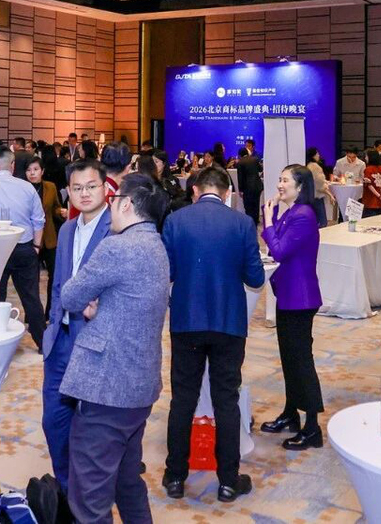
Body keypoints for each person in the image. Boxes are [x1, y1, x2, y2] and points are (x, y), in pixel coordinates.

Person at [60, 173, 169, 524]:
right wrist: (102, 308)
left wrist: (93, 305)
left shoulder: (117, 247)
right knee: (127, 482)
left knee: (89, 498)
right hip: (138, 384)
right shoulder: (156, 245)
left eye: (113, 200)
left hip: (106, 387)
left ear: (126, 204)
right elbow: (131, 305)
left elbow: (69, 295)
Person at [161, 166, 263, 502]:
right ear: (227, 193)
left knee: (182, 400)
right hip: (228, 322)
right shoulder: (242, 223)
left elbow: (167, 271)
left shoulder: (176, 221)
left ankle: (175, 477)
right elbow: (255, 278)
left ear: (195, 190)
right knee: (226, 401)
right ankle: (228, 481)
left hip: (186, 321)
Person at [43, 159, 113, 494]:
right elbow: (58, 284)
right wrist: (53, 323)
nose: (84, 193)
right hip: (60, 339)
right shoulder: (68, 229)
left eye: (91, 186)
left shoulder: (117, 231)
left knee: (91, 428)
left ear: (105, 188)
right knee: (54, 422)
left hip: (95, 342)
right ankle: (69, 491)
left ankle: (88, 497)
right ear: (68, 192)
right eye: (77, 188)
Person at [259, 164, 326, 450]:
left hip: (300, 298)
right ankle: (290, 414)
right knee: (289, 358)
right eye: (279, 179)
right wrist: (272, 215)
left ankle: (312, 428)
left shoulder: (304, 215)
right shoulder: (292, 212)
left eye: (285, 180)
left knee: (301, 361)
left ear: (300, 187)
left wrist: (267, 220)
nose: (280, 185)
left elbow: (279, 250)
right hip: (288, 295)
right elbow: (275, 240)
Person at [0, 145, 47, 350]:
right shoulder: (27, 188)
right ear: (12, 165)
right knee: (31, 298)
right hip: (24, 248)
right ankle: (43, 343)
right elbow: (39, 220)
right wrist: (36, 246)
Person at [24, 154, 64, 313]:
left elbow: (55, 208)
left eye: (35, 169)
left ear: (42, 171)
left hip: (49, 238)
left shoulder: (50, 187)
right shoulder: (22, 189)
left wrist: (61, 212)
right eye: (28, 170)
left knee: (54, 276)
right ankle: (33, 314)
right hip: (30, 239)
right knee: (31, 279)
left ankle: (50, 312)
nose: (32, 173)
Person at [235, 139, 263, 228]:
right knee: (256, 204)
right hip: (258, 186)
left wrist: (240, 190)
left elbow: (240, 178)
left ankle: (250, 223)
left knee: (248, 205)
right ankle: (256, 221)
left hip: (247, 187)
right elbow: (260, 169)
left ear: (240, 155)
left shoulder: (240, 163)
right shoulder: (255, 159)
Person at [302, 147, 331, 225]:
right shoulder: (315, 167)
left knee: (314, 220)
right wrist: (327, 188)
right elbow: (319, 183)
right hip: (317, 196)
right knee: (322, 221)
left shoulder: (308, 166)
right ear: (313, 156)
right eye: (317, 154)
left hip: (310, 195)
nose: (319, 155)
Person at [361, 151, 381, 217]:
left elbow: (369, 185)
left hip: (370, 200)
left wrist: (379, 196)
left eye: (367, 156)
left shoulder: (368, 169)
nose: (365, 158)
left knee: (368, 220)